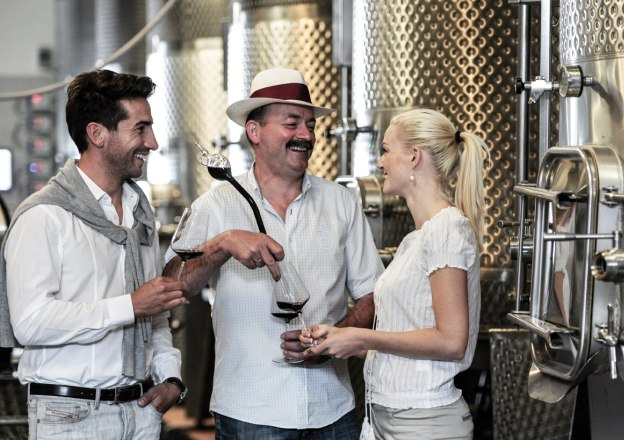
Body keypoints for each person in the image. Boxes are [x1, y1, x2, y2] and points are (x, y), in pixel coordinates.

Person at [162, 67, 384, 438]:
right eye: (292, 123)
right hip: (251, 411)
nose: (305, 135)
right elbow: (170, 287)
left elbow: (374, 295)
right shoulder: (215, 206)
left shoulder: (340, 203)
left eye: (310, 125)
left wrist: (333, 339)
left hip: (334, 410)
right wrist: (220, 246)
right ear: (255, 132)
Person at [0, 69, 189, 439]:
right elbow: (31, 321)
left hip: (140, 412)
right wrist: (130, 305)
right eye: (140, 128)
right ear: (97, 133)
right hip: (70, 415)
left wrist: (171, 378)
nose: (152, 142)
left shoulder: (139, 213)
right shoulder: (45, 216)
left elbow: (156, 315)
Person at [302, 108, 489, 439]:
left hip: (423, 423)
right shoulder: (414, 240)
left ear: (414, 156)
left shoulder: (447, 229)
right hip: (385, 418)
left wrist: (362, 336)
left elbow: (451, 341)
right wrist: (336, 339)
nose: (380, 163)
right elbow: (404, 341)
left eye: (386, 150)